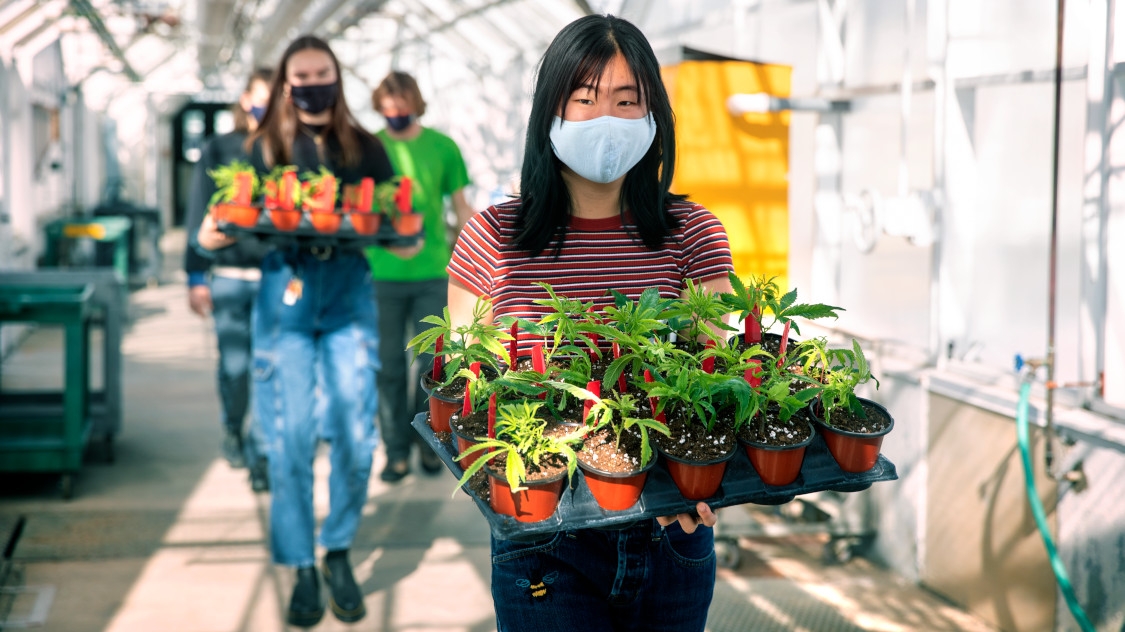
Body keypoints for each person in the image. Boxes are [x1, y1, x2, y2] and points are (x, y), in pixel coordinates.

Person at [445, 14, 731, 632]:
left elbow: (720, 384)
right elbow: (469, 388)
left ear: (655, 116)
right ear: (550, 111)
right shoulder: (493, 237)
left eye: (628, 101)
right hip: (543, 538)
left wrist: (705, 486)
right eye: (585, 99)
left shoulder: (693, 233)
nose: (608, 119)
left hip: (669, 530)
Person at [197, 36, 415, 628]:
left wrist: (403, 236)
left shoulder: (365, 146)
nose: (312, 83)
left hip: (349, 291)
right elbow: (222, 227)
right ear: (287, 83)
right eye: (301, 74)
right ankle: (299, 562)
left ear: (336, 78)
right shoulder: (265, 145)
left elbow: (393, 220)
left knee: (353, 432)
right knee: (288, 438)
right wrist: (214, 237)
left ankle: (338, 548)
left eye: (323, 72)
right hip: (285, 291)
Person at [365, 71, 475, 483]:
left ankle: (428, 444)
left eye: (401, 103)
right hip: (382, 272)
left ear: (416, 102)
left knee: (431, 365)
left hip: (432, 271)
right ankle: (395, 451)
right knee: (388, 365)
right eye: (387, 104)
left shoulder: (442, 147)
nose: (395, 111)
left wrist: (482, 256)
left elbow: (461, 206)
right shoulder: (371, 148)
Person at [184, 68, 274, 492]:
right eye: (262, 97)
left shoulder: (288, 151)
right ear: (244, 99)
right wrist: (194, 276)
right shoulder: (219, 148)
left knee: (266, 369)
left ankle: (261, 455)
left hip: (277, 280)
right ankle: (233, 428)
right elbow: (198, 213)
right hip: (230, 279)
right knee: (236, 368)